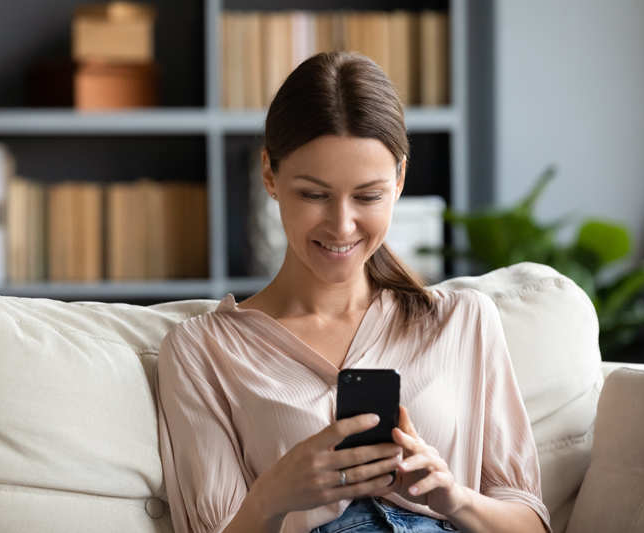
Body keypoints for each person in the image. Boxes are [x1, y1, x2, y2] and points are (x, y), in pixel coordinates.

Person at [155, 51, 552, 533]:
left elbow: (530, 522)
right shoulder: (203, 350)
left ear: (400, 180)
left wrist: (452, 496)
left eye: (368, 196)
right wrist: (272, 499)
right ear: (269, 175)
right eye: (314, 194)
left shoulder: (464, 321)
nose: (342, 226)